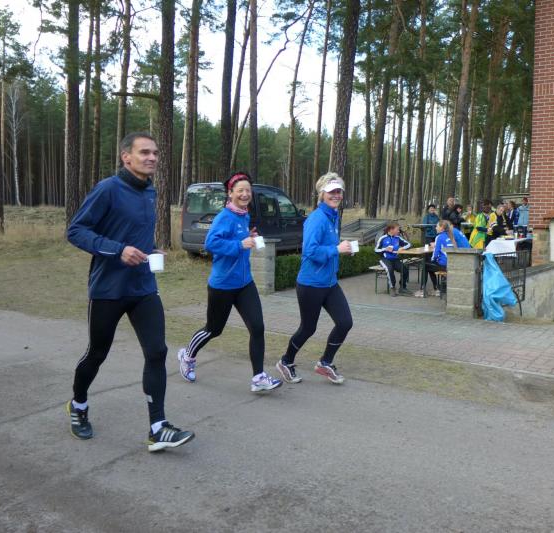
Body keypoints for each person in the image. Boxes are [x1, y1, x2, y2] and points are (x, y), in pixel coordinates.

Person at [66, 132, 194, 452]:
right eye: (144, 152)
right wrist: (118, 250)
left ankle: (158, 428)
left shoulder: (150, 191)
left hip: (143, 287)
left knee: (157, 352)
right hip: (109, 288)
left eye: (155, 153)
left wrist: (152, 250)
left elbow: (134, 233)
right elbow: (76, 231)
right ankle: (78, 405)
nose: (152, 158)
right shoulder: (107, 189)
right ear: (126, 157)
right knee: (97, 353)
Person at [176, 171, 282, 393]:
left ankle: (258, 377)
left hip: (244, 283)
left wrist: (249, 237)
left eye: (248, 190)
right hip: (223, 285)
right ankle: (187, 355)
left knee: (257, 327)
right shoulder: (224, 217)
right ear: (230, 193)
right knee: (213, 329)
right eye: (240, 190)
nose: (245, 194)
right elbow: (211, 244)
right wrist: (239, 245)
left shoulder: (243, 215)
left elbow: (236, 237)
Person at [275, 172, 354, 385]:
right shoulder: (316, 219)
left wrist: (342, 249)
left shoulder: (333, 216)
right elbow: (309, 251)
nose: (336, 195)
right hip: (311, 284)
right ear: (322, 194)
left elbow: (328, 247)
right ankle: (285, 361)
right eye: (331, 192)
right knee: (308, 328)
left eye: (339, 191)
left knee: (345, 322)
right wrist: (336, 249)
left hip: (329, 282)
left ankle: (325, 363)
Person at [417, 220, 471, 297]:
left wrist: (433, 259)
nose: (435, 228)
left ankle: (423, 290)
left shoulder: (439, 237)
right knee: (429, 265)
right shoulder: (450, 235)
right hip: (452, 263)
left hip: (445, 265)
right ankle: (436, 289)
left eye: (437, 226)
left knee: (425, 265)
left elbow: (435, 254)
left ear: (442, 227)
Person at [375, 222, 412, 297]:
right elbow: (376, 250)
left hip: (395, 259)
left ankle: (402, 287)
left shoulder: (398, 238)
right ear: (391, 230)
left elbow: (409, 244)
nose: (398, 231)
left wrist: (402, 248)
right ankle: (392, 288)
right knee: (390, 269)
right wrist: (385, 249)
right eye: (397, 229)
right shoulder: (383, 238)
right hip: (385, 259)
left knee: (405, 269)